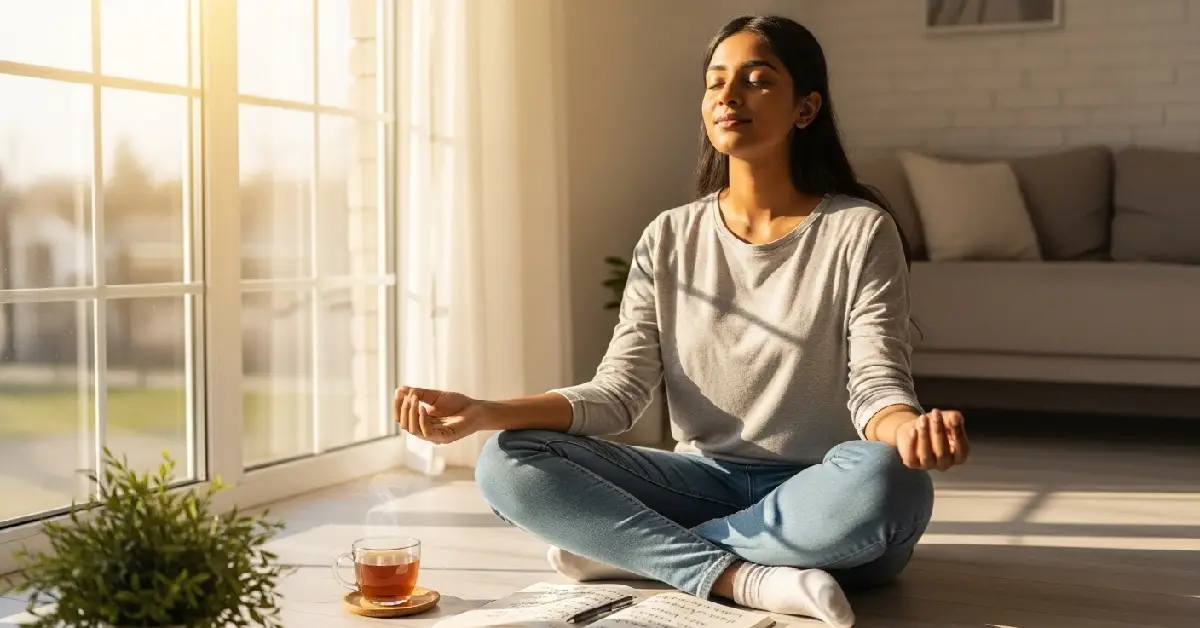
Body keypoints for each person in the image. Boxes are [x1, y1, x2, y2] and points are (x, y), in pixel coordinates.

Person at [394, 14, 970, 628]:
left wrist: (906, 431)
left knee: (889, 480)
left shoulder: (859, 230)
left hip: (820, 489)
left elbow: (876, 384)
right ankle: (739, 576)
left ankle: (635, 553)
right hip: (700, 479)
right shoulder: (668, 237)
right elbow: (617, 396)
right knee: (506, 461)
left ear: (806, 109)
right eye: (716, 80)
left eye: (757, 79)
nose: (729, 95)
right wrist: (487, 411)